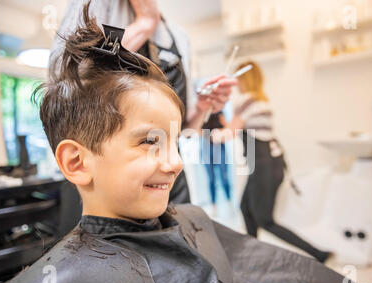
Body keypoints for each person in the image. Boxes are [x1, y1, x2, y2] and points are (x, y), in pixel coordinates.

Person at [0, 5, 372, 283]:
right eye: (149, 141)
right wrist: (141, 29)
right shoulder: (95, 9)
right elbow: (69, 84)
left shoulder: (180, 36)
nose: (175, 161)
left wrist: (201, 108)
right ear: (75, 161)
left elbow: (178, 127)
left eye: (171, 146)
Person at [49, 0, 238, 204]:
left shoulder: (180, 37)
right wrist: (144, 24)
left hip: (171, 182)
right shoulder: (100, 4)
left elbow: (185, 131)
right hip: (116, 180)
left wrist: (202, 106)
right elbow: (67, 74)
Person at [220, 61, 331, 263]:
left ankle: (318, 254)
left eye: (237, 77)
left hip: (263, 167)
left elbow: (228, 134)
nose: (235, 82)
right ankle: (252, 255)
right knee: (245, 207)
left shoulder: (244, 101)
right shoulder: (261, 101)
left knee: (265, 220)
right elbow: (243, 128)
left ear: (244, 79)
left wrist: (202, 133)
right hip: (273, 165)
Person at [201, 111, 232, 217]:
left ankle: (229, 202)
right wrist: (208, 136)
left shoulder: (219, 112)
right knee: (211, 179)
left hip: (220, 146)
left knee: (224, 177)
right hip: (206, 146)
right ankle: (213, 206)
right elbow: (196, 129)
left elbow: (228, 127)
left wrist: (218, 133)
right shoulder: (202, 111)